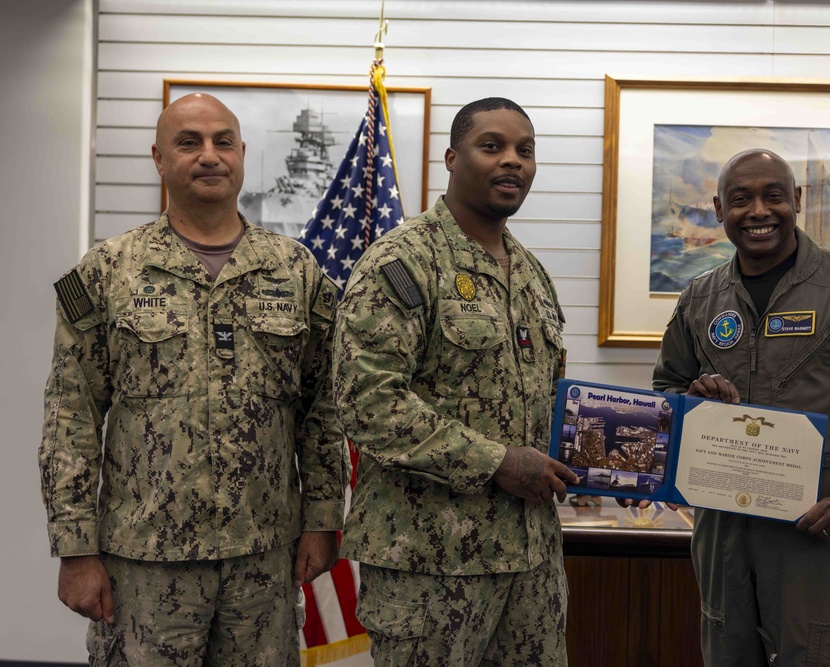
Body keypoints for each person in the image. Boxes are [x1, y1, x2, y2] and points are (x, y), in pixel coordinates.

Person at [38, 93, 349, 665]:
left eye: (222, 141)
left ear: (242, 153)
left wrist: (324, 519)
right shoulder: (109, 270)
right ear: (158, 158)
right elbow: (70, 416)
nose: (209, 155)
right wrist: (75, 549)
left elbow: (321, 409)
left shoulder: (296, 270)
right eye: (189, 142)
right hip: (147, 561)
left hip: (263, 557)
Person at [651, 148, 830, 667]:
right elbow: (666, 394)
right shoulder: (699, 298)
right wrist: (691, 400)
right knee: (726, 651)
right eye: (740, 199)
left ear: (797, 202)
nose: (758, 211)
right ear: (719, 210)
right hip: (723, 524)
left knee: (820, 653)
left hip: (821, 524)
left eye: (773, 196)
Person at [332, 97, 578, 666]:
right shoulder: (402, 262)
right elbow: (368, 403)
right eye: (491, 146)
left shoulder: (531, 272)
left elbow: (544, 401)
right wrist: (496, 461)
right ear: (451, 156)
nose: (512, 161)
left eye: (525, 150)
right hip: (431, 564)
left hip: (530, 563)